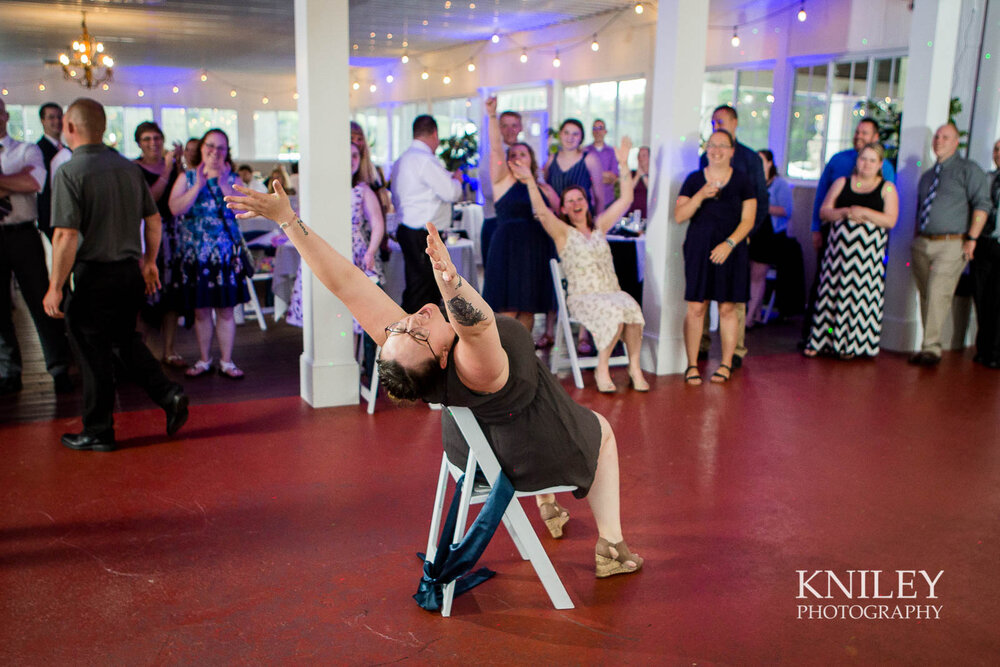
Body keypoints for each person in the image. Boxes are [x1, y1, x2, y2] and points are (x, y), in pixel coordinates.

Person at [226, 181, 643, 579]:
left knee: (535, 402)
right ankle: (612, 545)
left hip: (471, 453)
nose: (413, 319)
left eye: (401, 326)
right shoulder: (473, 366)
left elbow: (345, 283)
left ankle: (549, 505)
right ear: (443, 357)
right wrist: (451, 285)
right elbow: (478, 328)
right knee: (601, 431)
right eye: (418, 331)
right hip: (520, 455)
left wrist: (288, 220)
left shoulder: (410, 356)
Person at [43, 97, 188, 451]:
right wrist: (150, 262)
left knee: (92, 353)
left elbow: (65, 235)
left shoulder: (69, 171)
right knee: (124, 341)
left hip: (94, 275)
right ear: (104, 127)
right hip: (129, 272)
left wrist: (55, 287)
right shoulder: (127, 168)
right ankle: (169, 394)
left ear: (70, 128)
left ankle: (98, 430)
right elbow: (152, 219)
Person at [514, 136, 648, 394]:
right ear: (564, 208)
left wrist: (623, 163)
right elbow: (542, 212)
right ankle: (602, 367)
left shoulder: (600, 225)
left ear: (587, 202)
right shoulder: (563, 233)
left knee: (632, 308)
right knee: (616, 311)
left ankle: (634, 367)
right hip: (583, 297)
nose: (576, 204)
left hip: (612, 292)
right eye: (571, 201)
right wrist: (531, 181)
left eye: (580, 199)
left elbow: (626, 200)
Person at [0, 97, 73, 396]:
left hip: (23, 234)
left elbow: (34, 183)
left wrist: (11, 182)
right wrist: (9, 182)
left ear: (5, 115)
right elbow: (21, 181)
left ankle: (59, 368)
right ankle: (8, 371)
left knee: (42, 300)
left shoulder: (26, 149)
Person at [676, 129, 757, 385]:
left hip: (731, 250)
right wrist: (701, 195)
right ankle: (691, 365)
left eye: (723, 145)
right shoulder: (693, 179)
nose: (717, 150)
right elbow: (679, 215)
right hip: (699, 249)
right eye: (712, 145)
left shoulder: (743, 181)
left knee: (727, 307)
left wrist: (729, 244)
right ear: (706, 149)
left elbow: (748, 220)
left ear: (732, 151)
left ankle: (725, 363)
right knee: (696, 307)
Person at [803, 143, 899, 358]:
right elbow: (825, 211)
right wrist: (846, 211)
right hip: (837, 256)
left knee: (858, 301)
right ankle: (824, 339)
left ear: (880, 164)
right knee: (830, 297)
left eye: (872, 160)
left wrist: (864, 212)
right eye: (863, 159)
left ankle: (851, 344)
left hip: (867, 261)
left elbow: (891, 220)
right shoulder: (842, 182)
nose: (866, 164)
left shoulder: (887, 188)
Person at [168, 128, 250, 379]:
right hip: (196, 257)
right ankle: (204, 359)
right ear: (202, 148)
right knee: (201, 310)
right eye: (210, 146)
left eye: (221, 148)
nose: (215, 152)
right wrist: (198, 187)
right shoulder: (187, 178)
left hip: (224, 257)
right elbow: (174, 208)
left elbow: (242, 210)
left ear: (227, 152)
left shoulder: (233, 178)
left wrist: (224, 183)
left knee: (225, 310)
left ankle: (226, 361)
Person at [909, 123, 991, 366]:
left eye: (946, 137)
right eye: (937, 136)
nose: (939, 141)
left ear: (956, 142)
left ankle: (931, 348)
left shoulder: (968, 170)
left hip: (952, 243)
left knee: (938, 293)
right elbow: (921, 209)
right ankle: (928, 344)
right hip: (923, 243)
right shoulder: (927, 177)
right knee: (926, 294)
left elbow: (982, 204)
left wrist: (973, 238)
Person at [697, 106, 768, 369]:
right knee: (702, 292)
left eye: (722, 121)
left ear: (735, 123)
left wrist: (746, 234)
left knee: (733, 298)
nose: (718, 125)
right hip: (708, 235)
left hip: (738, 235)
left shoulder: (750, 159)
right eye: (714, 122)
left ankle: (736, 349)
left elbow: (760, 199)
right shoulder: (706, 156)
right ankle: (701, 344)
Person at [481, 96, 559, 333]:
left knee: (527, 309)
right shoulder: (502, 180)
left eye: (522, 155)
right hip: (509, 248)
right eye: (512, 155)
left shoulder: (539, 186)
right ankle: (502, 361)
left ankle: (525, 360)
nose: (516, 158)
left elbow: (555, 210)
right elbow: (496, 147)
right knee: (507, 310)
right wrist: (492, 116)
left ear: (531, 160)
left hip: (535, 248)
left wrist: (535, 182)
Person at [390, 114, 463, 313]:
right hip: (423, 233)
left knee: (418, 287)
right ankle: (415, 337)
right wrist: (457, 180)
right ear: (434, 134)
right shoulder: (425, 161)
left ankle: (413, 336)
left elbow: (395, 197)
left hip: (407, 229)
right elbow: (451, 192)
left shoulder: (401, 161)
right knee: (424, 292)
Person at [134, 121, 185, 366]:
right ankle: (140, 355)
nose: (153, 143)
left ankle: (169, 350)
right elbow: (149, 201)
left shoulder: (174, 167)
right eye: (147, 139)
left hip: (174, 236)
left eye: (156, 138)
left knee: (172, 296)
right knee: (144, 296)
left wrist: (179, 165)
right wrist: (166, 170)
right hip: (148, 236)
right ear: (139, 143)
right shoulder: (135, 168)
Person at [351, 140, 386, 378]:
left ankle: (353, 365)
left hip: (356, 254)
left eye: (355, 156)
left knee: (356, 315)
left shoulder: (362, 190)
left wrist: (371, 250)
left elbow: (377, 224)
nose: (351, 160)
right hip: (332, 252)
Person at [479, 108, 523, 270]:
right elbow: (489, 192)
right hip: (496, 223)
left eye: (514, 125)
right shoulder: (489, 157)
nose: (510, 130)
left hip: (521, 225)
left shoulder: (526, 155)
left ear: (520, 127)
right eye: (504, 126)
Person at [971, 139, 1000, 369]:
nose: (999, 153)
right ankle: (983, 348)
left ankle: (996, 352)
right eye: (997, 149)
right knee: (982, 297)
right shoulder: (986, 179)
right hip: (984, 244)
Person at [545, 119, 605, 213]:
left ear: (581, 138)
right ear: (560, 134)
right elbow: (545, 192)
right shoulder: (550, 160)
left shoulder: (590, 160)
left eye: (575, 134)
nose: (570, 138)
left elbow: (600, 198)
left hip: (583, 220)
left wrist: (598, 224)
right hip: (556, 221)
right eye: (566, 133)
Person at [35, 102, 64, 239]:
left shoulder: (67, 149)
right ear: (43, 121)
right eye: (51, 117)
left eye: (59, 117)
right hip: (50, 217)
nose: (57, 121)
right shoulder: (37, 150)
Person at [584, 119, 619, 215]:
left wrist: (594, 176)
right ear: (592, 131)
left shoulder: (612, 151)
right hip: (588, 201)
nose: (597, 131)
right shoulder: (585, 151)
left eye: (600, 128)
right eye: (594, 128)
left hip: (607, 201)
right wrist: (604, 175)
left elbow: (613, 178)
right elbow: (584, 177)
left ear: (605, 131)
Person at [628, 146, 650, 219]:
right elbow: (628, 190)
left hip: (647, 214)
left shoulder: (653, 175)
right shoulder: (632, 173)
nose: (641, 159)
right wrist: (637, 175)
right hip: (631, 214)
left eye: (644, 156)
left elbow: (651, 189)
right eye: (639, 156)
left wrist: (643, 175)